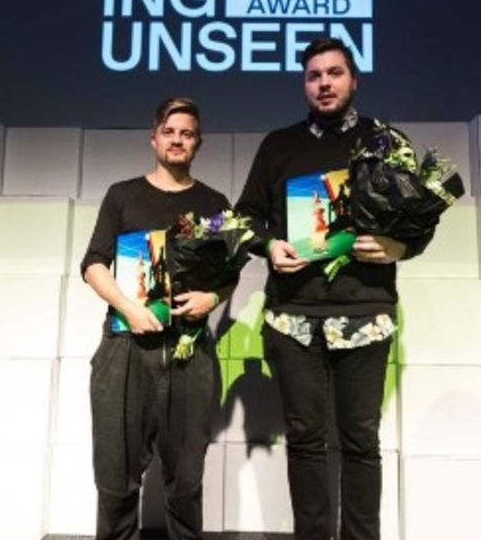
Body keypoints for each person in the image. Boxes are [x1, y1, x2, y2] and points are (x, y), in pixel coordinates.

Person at [234, 37, 435, 540]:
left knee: (361, 441)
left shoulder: (386, 141)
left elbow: (419, 221)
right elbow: (244, 218)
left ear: (354, 80)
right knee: (305, 441)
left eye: (334, 73)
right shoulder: (278, 145)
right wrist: (269, 244)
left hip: (365, 312)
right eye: (314, 75)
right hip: (292, 314)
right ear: (304, 84)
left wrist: (399, 247)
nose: (324, 83)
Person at [80, 97, 230, 539]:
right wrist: (129, 308)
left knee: (186, 483)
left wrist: (212, 297)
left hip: (189, 352)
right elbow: (93, 264)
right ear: (154, 139)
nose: (177, 140)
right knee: (115, 479)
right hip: (126, 349)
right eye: (169, 132)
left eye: (187, 133)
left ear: (198, 142)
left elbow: (228, 275)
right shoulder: (122, 195)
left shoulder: (214, 202)